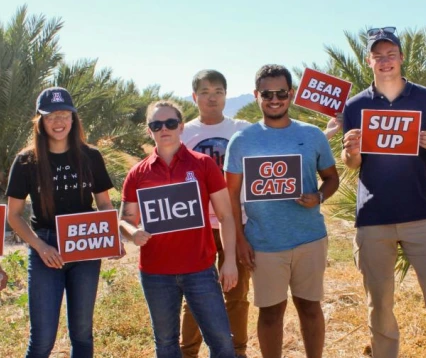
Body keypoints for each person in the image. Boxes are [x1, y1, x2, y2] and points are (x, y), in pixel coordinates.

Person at [342, 27, 426, 358]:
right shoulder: (355, 105)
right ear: (369, 61)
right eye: (378, 56)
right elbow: (351, 163)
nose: (385, 61)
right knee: (379, 302)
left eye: (391, 54)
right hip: (373, 219)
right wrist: (351, 152)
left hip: (420, 216)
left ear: (401, 57)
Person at [225, 64, 339, 358]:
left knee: (310, 308)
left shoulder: (313, 135)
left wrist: (319, 197)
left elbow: (332, 178)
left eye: (281, 93)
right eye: (267, 93)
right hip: (264, 242)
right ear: (256, 95)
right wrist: (239, 240)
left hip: (309, 239)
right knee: (271, 314)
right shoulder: (242, 141)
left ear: (292, 93)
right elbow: (231, 195)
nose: (274, 99)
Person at [119, 100, 237, 358]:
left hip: (201, 269)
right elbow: (124, 220)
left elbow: (226, 216)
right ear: (149, 131)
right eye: (156, 124)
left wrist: (229, 262)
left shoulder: (204, 164)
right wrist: (133, 232)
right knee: (166, 344)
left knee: (222, 344)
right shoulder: (137, 174)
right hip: (155, 273)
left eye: (170, 123)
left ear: (181, 126)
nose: (164, 128)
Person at [6, 87, 116, 358]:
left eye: (65, 114)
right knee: (42, 339)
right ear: (40, 121)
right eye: (51, 115)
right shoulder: (26, 161)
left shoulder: (91, 156)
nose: (59, 121)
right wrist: (40, 247)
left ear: (74, 118)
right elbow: (13, 215)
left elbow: (103, 203)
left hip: (86, 246)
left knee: (82, 334)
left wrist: (110, 237)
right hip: (46, 249)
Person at [179, 69, 251, 358]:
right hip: (196, 227)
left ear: (226, 95)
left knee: (237, 293)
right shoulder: (183, 132)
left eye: (218, 92)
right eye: (205, 93)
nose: (212, 98)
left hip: (236, 222)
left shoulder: (242, 128)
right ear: (195, 97)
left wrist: (328, 132)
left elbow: (281, 140)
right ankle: (188, 352)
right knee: (194, 295)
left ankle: (237, 351)